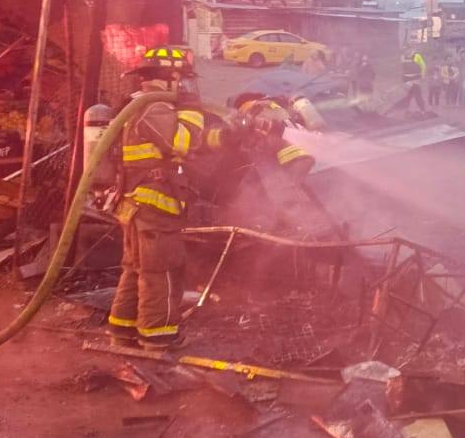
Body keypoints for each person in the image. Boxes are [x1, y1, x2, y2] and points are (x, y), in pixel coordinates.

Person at [105, 46, 313, 352]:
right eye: (183, 80)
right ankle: (158, 340)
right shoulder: (154, 107)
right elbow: (181, 142)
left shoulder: (147, 108)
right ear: (169, 77)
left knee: (138, 270)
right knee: (162, 273)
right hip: (152, 207)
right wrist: (191, 110)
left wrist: (229, 136)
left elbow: (194, 142)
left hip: (143, 208)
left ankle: (122, 333)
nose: (187, 86)